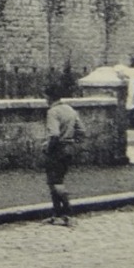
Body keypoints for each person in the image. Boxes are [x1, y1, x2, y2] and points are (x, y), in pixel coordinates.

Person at [43, 83, 84, 226]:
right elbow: (81, 131)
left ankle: (69, 213)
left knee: (56, 183)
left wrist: (48, 148)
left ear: (49, 97)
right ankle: (56, 215)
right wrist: (72, 141)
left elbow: (54, 135)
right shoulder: (70, 109)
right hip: (69, 148)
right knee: (54, 181)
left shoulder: (53, 112)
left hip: (58, 149)